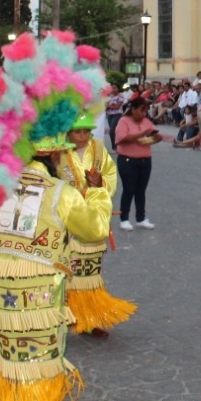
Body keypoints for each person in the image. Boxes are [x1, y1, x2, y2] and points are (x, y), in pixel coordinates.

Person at [0, 30, 112, 401]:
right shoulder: (63, 193)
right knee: (42, 355)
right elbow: (95, 229)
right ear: (56, 153)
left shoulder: (0, 184)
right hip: (40, 291)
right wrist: (96, 191)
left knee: (7, 348)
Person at [56, 113, 135, 339]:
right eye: (77, 131)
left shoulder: (98, 150)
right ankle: (60, 317)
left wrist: (100, 186)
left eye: (85, 131)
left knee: (89, 272)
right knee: (62, 271)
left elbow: (110, 174)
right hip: (66, 219)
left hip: (90, 216)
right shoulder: (58, 153)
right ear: (68, 133)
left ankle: (88, 318)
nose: (83, 135)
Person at [113, 96, 163, 230]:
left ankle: (141, 218)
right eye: (141, 110)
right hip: (128, 160)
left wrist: (156, 137)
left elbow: (154, 133)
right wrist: (141, 134)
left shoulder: (146, 121)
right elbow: (121, 139)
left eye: (145, 111)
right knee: (129, 189)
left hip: (145, 160)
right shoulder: (124, 121)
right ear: (133, 109)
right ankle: (124, 219)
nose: (144, 114)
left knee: (141, 191)